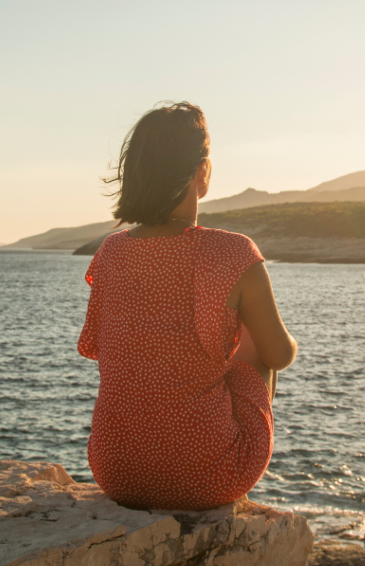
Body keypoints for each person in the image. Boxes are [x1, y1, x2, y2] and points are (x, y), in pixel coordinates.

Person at [78, 101, 297, 510]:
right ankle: (232, 488)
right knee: (254, 352)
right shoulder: (233, 252)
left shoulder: (110, 252)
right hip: (206, 478)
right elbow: (278, 355)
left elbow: (104, 350)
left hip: (115, 474)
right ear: (203, 172)